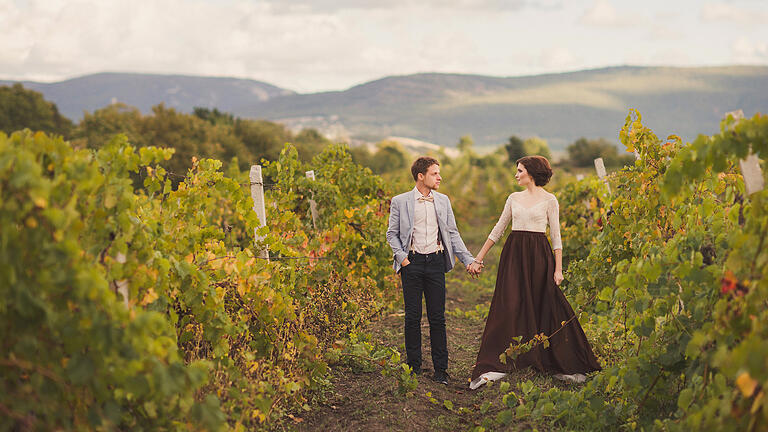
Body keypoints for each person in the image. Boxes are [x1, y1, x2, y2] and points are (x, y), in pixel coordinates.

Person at [467, 156, 601, 390]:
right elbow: (498, 230)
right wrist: (478, 258)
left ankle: (556, 358)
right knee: (510, 304)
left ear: (531, 173)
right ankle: (505, 357)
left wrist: (558, 269)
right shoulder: (513, 198)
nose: (516, 175)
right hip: (514, 255)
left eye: (519, 171)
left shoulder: (550, 200)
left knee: (545, 303)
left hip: (540, 255)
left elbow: (557, 237)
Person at [386, 156, 477, 385]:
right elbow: (392, 234)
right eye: (435, 173)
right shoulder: (400, 201)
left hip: (436, 263)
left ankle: (441, 370)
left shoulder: (443, 201)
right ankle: (414, 367)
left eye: (439, 173)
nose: (440, 177)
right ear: (421, 176)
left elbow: (452, 233)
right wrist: (403, 259)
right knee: (412, 317)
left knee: (438, 318)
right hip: (412, 263)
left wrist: (467, 260)